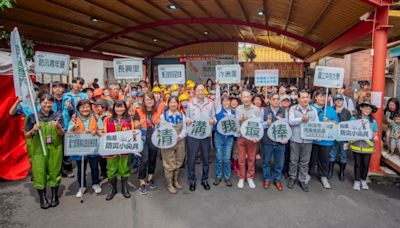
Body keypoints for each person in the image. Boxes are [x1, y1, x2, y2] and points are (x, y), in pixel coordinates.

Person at [25, 94, 64, 209]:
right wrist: (33, 129)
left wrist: (57, 126)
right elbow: (27, 135)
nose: (47, 104)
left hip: (55, 149)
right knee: (39, 173)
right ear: (40, 103)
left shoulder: (57, 115)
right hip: (38, 150)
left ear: (53, 103)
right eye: (44, 102)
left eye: (50, 102)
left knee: (54, 171)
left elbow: (62, 133)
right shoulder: (33, 117)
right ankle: (43, 198)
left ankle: (54, 196)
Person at [102, 100, 139, 200]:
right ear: (114, 108)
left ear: (125, 108)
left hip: (124, 150)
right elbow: (104, 134)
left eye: (121, 107)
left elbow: (132, 134)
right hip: (111, 150)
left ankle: (124, 188)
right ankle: (112, 189)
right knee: (111, 169)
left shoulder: (129, 120)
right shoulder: (107, 120)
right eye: (117, 107)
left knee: (124, 169)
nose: (119, 109)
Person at [68, 99, 102, 197]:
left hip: (93, 146)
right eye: (82, 107)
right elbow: (69, 132)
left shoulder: (95, 117)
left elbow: (101, 130)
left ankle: (95, 183)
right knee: (81, 168)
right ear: (78, 109)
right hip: (80, 147)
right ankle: (81, 186)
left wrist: (95, 132)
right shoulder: (74, 118)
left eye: (87, 107)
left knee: (94, 166)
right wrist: (74, 128)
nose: (85, 109)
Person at [288, 90, 319, 192]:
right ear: (298, 98)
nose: (305, 99)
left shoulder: (313, 110)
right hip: (295, 139)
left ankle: (302, 179)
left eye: (307, 97)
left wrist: (318, 134)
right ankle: (292, 177)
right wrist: (301, 119)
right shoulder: (293, 108)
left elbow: (317, 125)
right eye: (303, 97)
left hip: (308, 140)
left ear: (310, 98)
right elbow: (291, 122)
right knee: (293, 161)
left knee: (305, 162)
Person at [186, 84, 215, 191]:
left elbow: (214, 117)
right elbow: (187, 117)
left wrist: (213, 121)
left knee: (206, 159)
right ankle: (192, 180)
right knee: (192, 159)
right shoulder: (190, 103)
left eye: (202, 90)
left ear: (205, 91)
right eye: (198, 90)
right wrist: (187, 120)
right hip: (193, 135)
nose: (200, 92)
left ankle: (204, 180)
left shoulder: (210, 103)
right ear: (194, 91)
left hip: (206, 135)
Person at [310, 89, 339, 189]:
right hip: (312, 139)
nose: (323, 98)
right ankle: (309, 174)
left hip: (326, 141)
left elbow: (336, 123)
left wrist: (329, 121)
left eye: (325, 96)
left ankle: (323, 176)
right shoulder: (310, 108)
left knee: (324, 159)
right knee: (311, 158)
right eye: (320, 96)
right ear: (316, 97)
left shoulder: (330, 109)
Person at [136, 92, 163, 195]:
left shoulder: (158, 110)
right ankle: (142, 181)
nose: (149, 101)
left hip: (154, 137)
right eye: (147, 99)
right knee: (144, 159)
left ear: (154, 100)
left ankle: (150, 178)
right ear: (144, 101)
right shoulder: (138, 111)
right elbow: (135, 125)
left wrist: (160, 122)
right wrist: (139, 123)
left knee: (152, 158)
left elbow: (161, 123)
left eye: (151, 99)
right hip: (143, 138)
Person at [235, 90, 263, 189]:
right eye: (244, 97)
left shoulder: (256, 109)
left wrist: (257, 137)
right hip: (241, 137)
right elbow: (236, 124)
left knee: (251, 158)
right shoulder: (238, 108)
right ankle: (241, 177)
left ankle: (250, 177)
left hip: (252, 138)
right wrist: (240, 120)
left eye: (248, 97)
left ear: (251, 97)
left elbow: (259, 124)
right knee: (241, 159)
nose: (246, 99)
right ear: (241, 98)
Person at [159, 96, 187, 194]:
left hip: (180, 141)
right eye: (171, 102)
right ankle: (169, 184)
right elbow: (161, 130)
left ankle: (175, 181)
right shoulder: (164, 116)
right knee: (169, 163)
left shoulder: (182, 115)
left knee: (179, 161)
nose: (173, 104)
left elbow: (185, 128)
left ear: (178, 104)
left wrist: (180, 136)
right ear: (168, 104)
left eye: (175, 102)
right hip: (167, 142)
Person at [261, 93, 287, 191]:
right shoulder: (264, 110)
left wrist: (286, 138)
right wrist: (266, 123)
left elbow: (287, 125)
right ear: (270, 100)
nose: (276, 101)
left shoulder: (284, 111)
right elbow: (259, 124)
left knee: (279, 162)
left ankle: (277, 179)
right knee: (266, 161)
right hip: (268, 140)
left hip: (280, 140)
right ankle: (267, 178)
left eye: (277, 99)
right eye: (274, 99)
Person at [350, 101, 378, 191]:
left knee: (365, 165)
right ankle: (357, 181)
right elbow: (348, 129)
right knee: (358, 164)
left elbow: (375, 133)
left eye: (369, 109)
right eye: (365, 108)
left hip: (368, 147)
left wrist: (375, 137)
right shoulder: (353, 119)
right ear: (361, 108)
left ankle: (363, 180)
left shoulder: (373, 121)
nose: (367, 110)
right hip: (356, 145)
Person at [213, 80, 235, 187]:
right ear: (221, 103)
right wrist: (217, 86)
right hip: (219, 137)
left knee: (226, 159)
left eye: (228, 101)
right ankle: (218, 176)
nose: (226, 103)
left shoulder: (234, 112)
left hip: (229, 138)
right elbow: (217, 98)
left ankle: (227, 177)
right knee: (218, 158)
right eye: (224, 101)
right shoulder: (218, 110)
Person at [330, 94, 352, 181]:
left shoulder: (347, 112)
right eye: (336, 100)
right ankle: (330, 171)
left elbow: (350, 124)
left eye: (340, 100)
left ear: (343, 101)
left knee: (343, 154)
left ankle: (342, 173)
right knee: (332, 154)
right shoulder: (331, 110)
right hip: (333, 136)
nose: (338, 101)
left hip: (344, 137)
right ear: (334, 102)